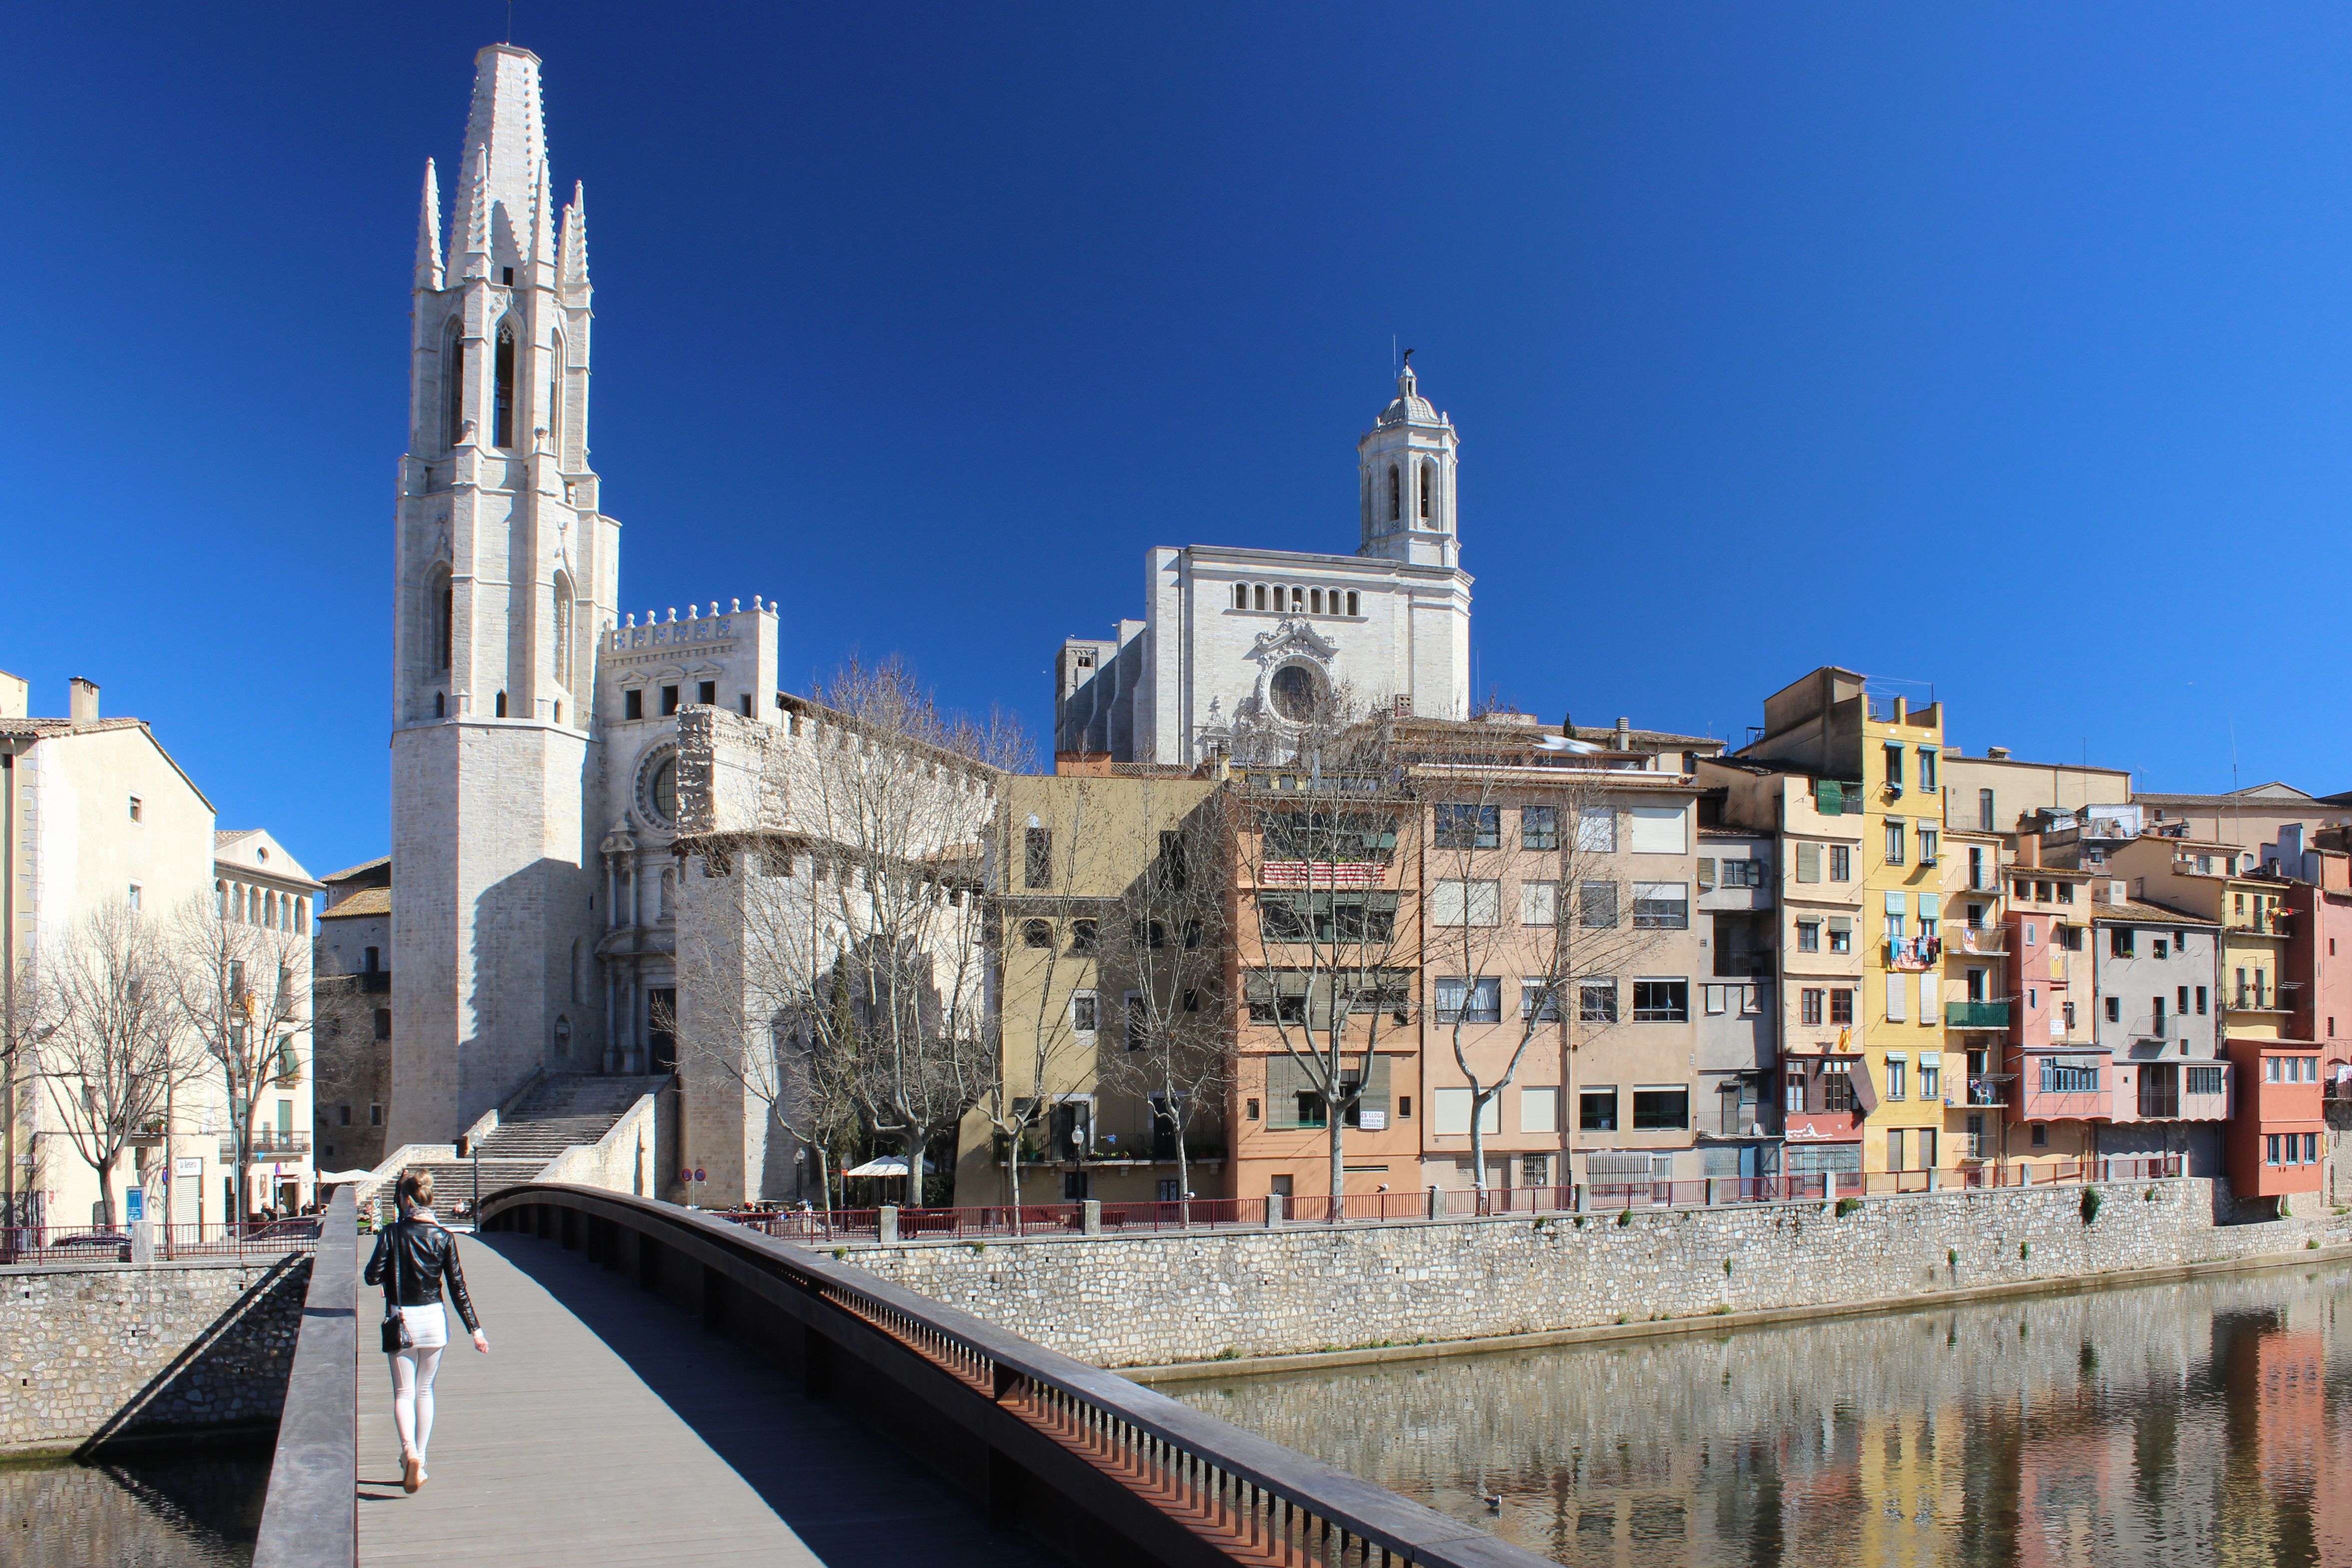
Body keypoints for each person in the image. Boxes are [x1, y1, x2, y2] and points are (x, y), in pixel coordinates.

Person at [363, 1170, 488, 1493]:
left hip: (403, 1320)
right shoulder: (444, 1237)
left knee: (403, 1393)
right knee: (425, 1391)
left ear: (405, 1200)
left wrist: (390, 1275)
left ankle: (409, 1453)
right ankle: (422, 1458)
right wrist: (475, 1330)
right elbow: (458, 1287)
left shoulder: (392, 1233)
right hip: (435, 1320)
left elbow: (371, 1276)